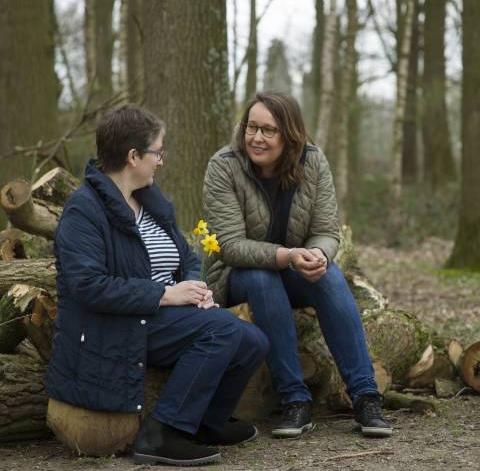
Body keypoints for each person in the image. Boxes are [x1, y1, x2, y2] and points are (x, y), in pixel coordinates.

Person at [46, 105, 269, 466]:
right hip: (117, 323)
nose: (161, 161)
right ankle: (161, 433)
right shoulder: (84, 211)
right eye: (157, 153)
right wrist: (165, 294)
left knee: (254, 341)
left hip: (163, 314)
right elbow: (87, 285)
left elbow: (186, 258)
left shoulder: (151, 201)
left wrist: (195, 288)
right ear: (133, 156)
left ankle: (206, 423)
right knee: (223, 332)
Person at [203, 92, 392, 439]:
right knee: (261, 278)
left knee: (331, 277)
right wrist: (287, 256)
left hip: (293, 269)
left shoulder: (313, 161)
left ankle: (366, 397)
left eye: (268, 130)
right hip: (236, 276)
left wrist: (319, 254)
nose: (256, 137)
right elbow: (230, 246)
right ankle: (294, 400)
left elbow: (325, 231)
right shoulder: (224, 165)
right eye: (251, 127)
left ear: (290, 134)